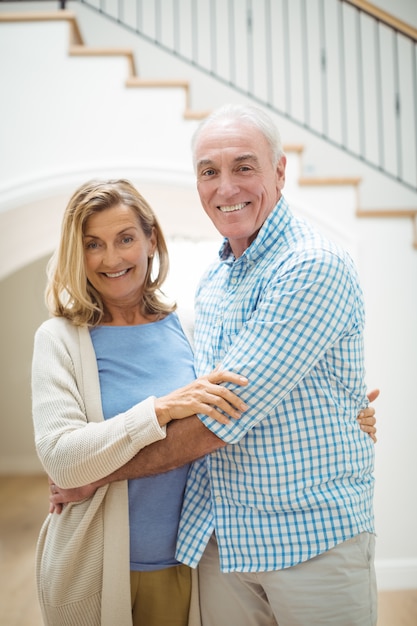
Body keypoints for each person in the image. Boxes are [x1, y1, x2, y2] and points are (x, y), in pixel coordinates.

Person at [48, 105, 380, 626]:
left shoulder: (311, 266)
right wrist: (343, 404)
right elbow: (201, 395)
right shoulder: (214, 283)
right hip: (221, 545)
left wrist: (92, 475)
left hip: (311, 542)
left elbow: (216, 419)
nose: (226, 187)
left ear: (279, 172)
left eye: (244, 167)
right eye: (209, 172)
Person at [31, 178, 250, 626]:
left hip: (188, 563)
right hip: (89, 567)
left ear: (151, 241)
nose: (111, 259)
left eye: (126, 239)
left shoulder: (189, 328)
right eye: (93, 244)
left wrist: (345, 416)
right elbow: (62, 460)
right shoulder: (59, 339)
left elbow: (240, 410)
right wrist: (158, 410)